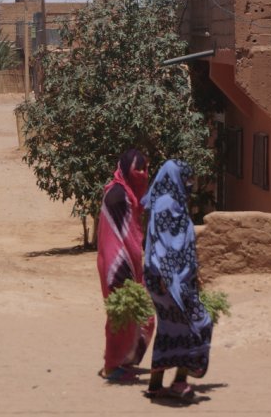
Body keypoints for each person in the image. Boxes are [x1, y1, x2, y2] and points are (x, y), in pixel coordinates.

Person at [141, 159, 212, 399]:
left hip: (174, 277)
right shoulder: (167, 204)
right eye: (187, 178)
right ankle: (180, 380)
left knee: (170, 328)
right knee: (197, 324)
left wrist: (193, 274)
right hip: (168, 279)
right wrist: (169, 278)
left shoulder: (171, 201)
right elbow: (164, 244)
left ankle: (156, 385)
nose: (190, 183)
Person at [96, 149, 155, 382]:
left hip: (132, 264)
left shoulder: (129, 195)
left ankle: (123, 359)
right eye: (138, 169)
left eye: (145, 169)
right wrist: (121, 269)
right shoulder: (117, 196)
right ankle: (112, 366)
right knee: (122, 315)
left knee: (144, 315)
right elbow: (112, 238)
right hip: (116, 265)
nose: (143, 174)